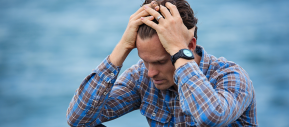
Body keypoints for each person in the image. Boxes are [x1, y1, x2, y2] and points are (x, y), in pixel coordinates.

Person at [66, 0, 258, 126]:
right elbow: (78, 119)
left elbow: (211, 117)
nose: (150, 72)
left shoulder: (231, 77)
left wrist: (177, 50)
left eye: (160, 61)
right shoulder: (141, 76)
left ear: (190, 46)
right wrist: (123, 46)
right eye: (145, 61)